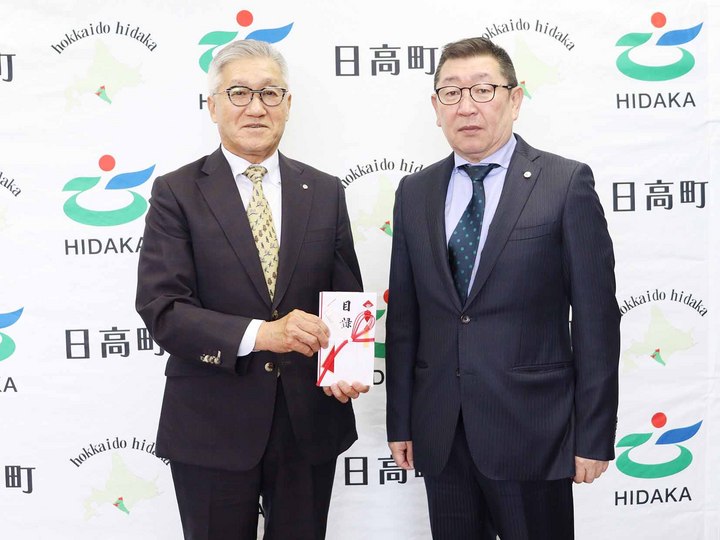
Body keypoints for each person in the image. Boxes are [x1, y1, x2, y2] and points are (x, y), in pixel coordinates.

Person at [385, 37, 620, 540]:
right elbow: (404, 319)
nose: (466, 106)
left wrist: (594, 434)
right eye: (451, 92)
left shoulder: (565, 183)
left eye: (483, 89)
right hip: (441, 431)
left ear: (515, 99)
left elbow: (597, 320)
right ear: (436, 107)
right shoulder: (414, 192)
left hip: (533, 430)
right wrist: (400, 421)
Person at [136, 39, 368, 540]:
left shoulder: (324, 190)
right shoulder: (176, 192)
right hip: (211, 422)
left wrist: (347, 365)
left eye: (270, 93)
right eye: (239, 93)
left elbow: (345, 295)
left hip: (308, 421)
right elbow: (164, 308)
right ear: (212, 105)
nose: (256, 107)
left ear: (288, 103)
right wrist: (264, 335)